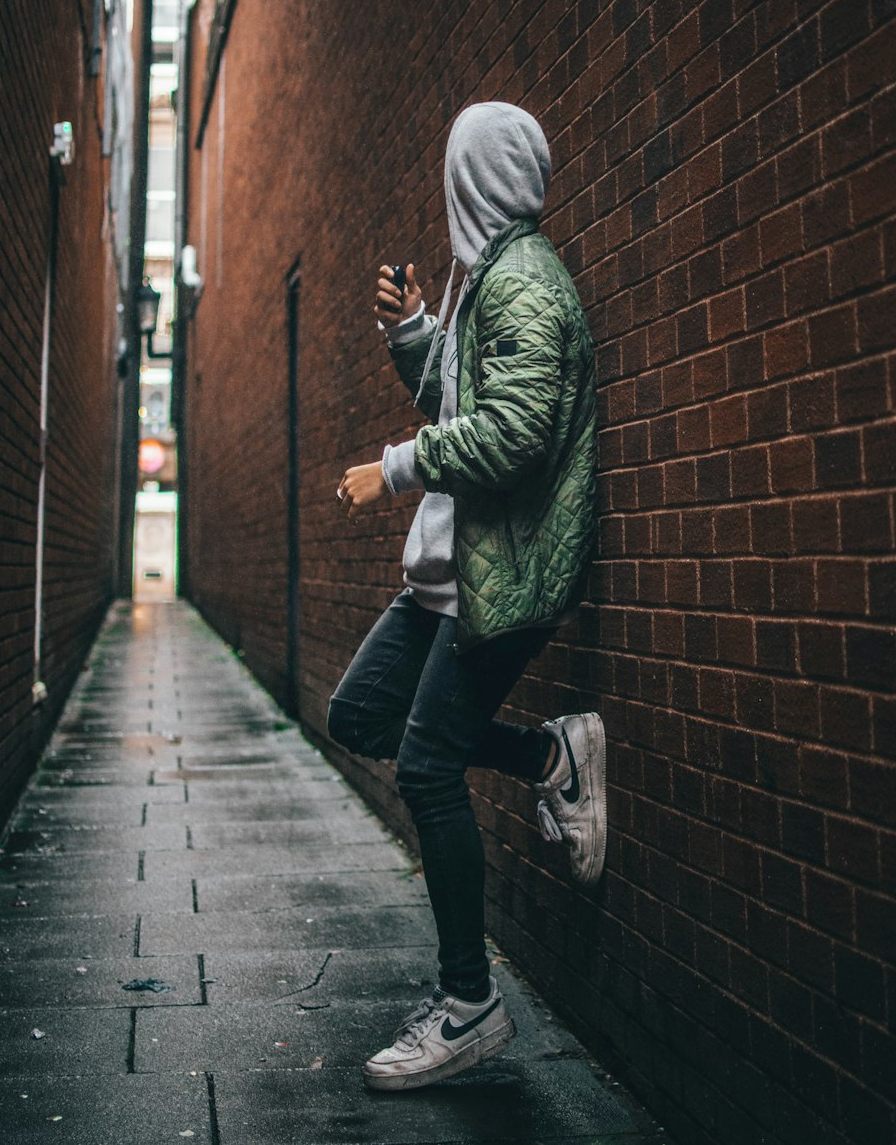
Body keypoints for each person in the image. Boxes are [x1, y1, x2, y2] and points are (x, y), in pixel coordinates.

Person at [329, 100, 602, 1091]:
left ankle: (469, 1002)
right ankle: (546, 754)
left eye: (455, 171)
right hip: (446, 573)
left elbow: (516, 431)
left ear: (475, 179)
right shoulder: (485, 278)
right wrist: (415, 329)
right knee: (360, 712)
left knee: (427, 768)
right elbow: (462, 393)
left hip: (499, 577)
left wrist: (393, 468)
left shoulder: (525, 280)